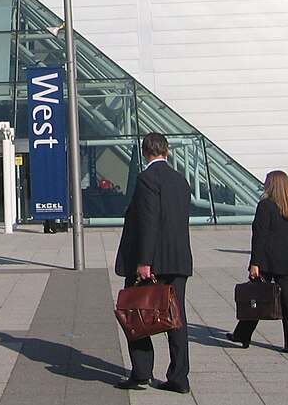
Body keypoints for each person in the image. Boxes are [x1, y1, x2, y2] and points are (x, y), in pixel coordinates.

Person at [114, 132, 193, 395]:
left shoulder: (147, 178)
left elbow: (149, 221)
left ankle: (141, 372)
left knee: (135, 312)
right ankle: (179, 377)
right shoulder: (181, 180)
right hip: (178, 260)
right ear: (166, 151)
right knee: (176, 318)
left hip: (153, 261)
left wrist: (144, 261)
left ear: (146, 152)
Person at [226, 171, 288, 354]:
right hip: (285, 262)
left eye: (267, 181)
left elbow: (260, 236)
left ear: (272, 184)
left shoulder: (266, 205)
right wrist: (286, 250)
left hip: (267, 260)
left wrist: (255, 262)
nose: (264, 183)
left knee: (256, 297)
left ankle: (242, 334)